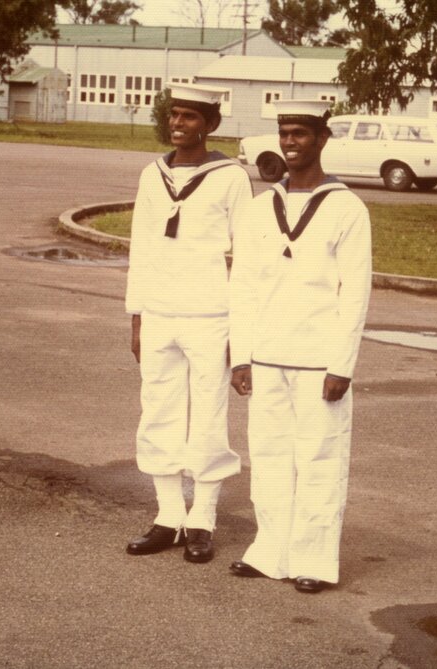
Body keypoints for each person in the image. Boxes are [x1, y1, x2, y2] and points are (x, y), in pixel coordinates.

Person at [228, 99, 372, 594]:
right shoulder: (259, 207)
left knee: (318, 458)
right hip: (267, 355)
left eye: (301, 134)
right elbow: (243, 285)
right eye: (284, 133)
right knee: (268, 458)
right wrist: (240, 355)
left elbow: (355, 291)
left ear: (322, 139)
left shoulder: (347, 208)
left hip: (318, 360)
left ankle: (313, 559)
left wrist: (342, 364)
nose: (290, 142)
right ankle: (270, 551)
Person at [124, 83, 252, 564]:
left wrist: (239, 330)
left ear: (210, 124)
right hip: (159, 313)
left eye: (190, 117)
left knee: (208, 416)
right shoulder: (151, 175)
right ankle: (168, 516)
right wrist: (137, 318)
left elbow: (247, 255)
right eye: (174, 116)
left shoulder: (230, 177)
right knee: (158, 410)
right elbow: (141, 248)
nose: (178, 124)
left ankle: (203, 519)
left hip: (210, 315)